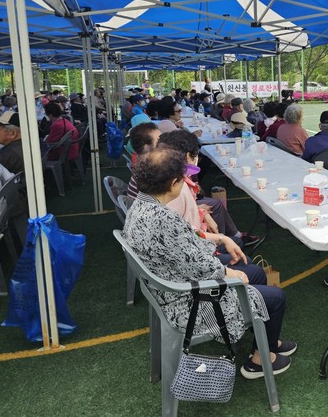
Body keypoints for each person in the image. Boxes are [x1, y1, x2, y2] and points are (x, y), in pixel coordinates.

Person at [122, 147, 296, 378]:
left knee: (254, 273)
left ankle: (265, 343)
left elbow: (187, 248)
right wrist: (229, 273)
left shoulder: (140, 205)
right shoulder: (162, 218)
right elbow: (198, 265)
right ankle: (260, 361)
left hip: (170, 288)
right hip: (188, 303)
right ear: (173, 183)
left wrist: (222, 241)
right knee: (276, 297)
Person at [157, 130, 266, 284]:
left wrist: (206, 217)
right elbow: (189, 250)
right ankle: (246, 295)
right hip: (194, 272)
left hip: (192, 256)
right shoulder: (177, 192)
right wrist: (229, 271)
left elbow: (185, 232)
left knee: (239, 249)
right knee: (255, 271)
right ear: (187, 156)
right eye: (196, 156)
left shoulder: (162, 192)